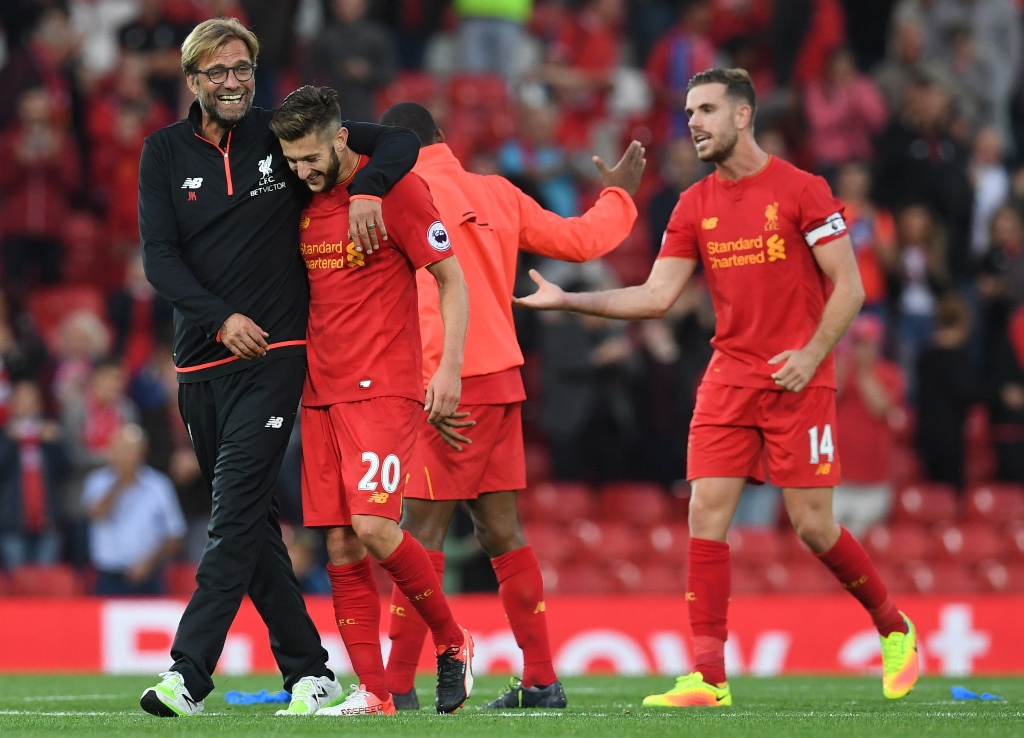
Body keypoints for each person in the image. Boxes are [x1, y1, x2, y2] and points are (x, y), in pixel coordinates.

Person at [514, 68, 919, 707]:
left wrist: (812, 354)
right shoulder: (693, 203)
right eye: (688, 110)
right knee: (704, 516)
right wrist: (568, 298)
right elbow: (655, 296)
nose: (693, 122)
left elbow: (852, 287)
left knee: (813, 528)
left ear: (741, 116)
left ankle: (895, 628)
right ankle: (709, 676)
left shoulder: (803, 190)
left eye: (705, 109)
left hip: (799, 377)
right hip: (729, 377)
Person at [137, 17, 421, 718]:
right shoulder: (162, 153)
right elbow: (160, 260)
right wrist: (218, 318)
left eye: (242, 69)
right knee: (255, 526)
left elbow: (402, 140)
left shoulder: (278, 135)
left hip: (276, 356)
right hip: (200, 365)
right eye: (217, 72)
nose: (233, 82)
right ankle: (309, 672)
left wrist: (367, 190)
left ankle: (188, 673)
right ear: (193, 79)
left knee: (231, 517)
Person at [376, 101, 643, 710]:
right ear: (443, 137)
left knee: (418, 535)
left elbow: (425, 300)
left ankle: (393, 688)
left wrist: (427, 382)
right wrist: (620, 198)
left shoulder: (399, 199)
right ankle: (543, 680)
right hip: (502, 382)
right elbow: (581, 242)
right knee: (502, 532)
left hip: (445, 384)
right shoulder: (496, 191)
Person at [269, 85, 472, 716]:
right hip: (319, 393)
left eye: (309, 158)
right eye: (290, 160)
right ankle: (376, 694)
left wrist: (450, 370)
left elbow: (451, 278)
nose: (300, 171)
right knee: (339, 546)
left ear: (340, 138)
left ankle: (454, 638)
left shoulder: (397, 192)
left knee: (376, 527)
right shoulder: (303, 199)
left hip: (382, 385)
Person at [82, 424, 186, 595]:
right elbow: (97, 514)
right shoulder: (97, 482)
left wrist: (149, 562)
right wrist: (119, 483)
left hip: (150, 575)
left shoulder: (159, 485)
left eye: (130, 451)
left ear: (142, 454)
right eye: (120, 450)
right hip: (108, 578)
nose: (125, 456)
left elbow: (175, 534)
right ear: (111, 453)